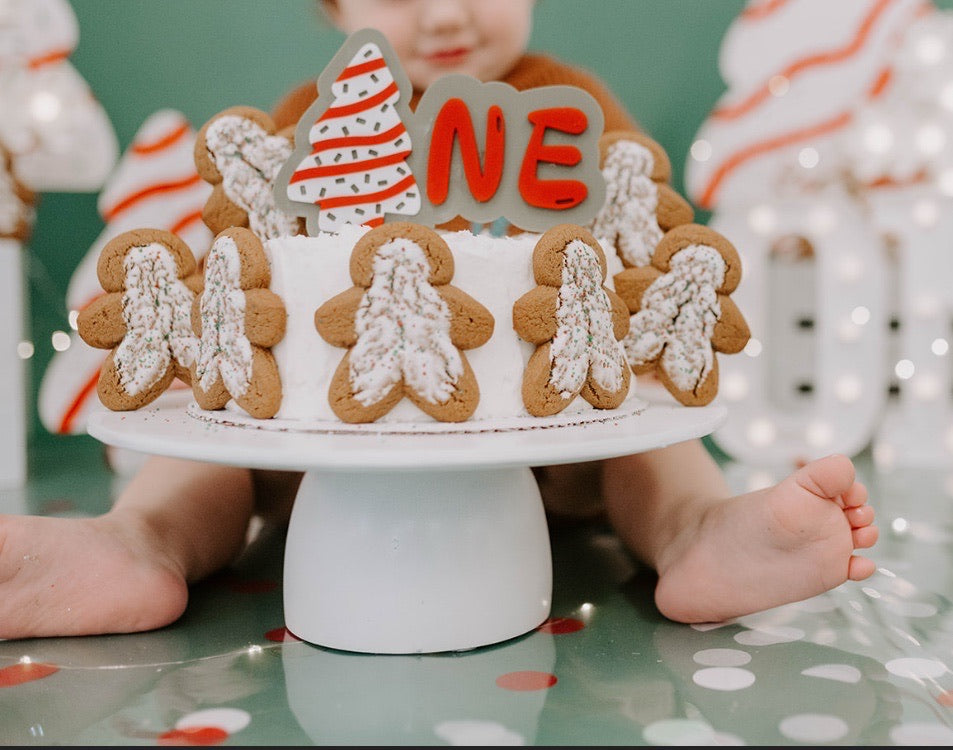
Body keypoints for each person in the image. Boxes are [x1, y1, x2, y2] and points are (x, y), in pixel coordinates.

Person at [0, 0, 877, 640]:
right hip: (324, 443)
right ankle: (137, 547)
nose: (445, 12)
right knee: (207, 461)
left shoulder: (570, 106)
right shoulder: (311, 118)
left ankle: (696, 533)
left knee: (650, 438)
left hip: (565, 429)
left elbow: (636, 244)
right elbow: (253, 254)